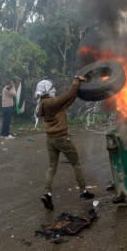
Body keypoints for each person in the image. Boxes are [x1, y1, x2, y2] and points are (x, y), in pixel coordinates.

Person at [35, 76, 95, 210]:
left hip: (50, 140)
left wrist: (76, 91)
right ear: (46, 90)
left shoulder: (43, 105)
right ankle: (83, 191)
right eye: (52, 88)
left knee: (52, 167)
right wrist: (75, 82)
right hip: (62, 138)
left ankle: (47, 193)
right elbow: (65, 97)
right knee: (77, 163)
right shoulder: (50, 102)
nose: (54, 89)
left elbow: (67, 101)